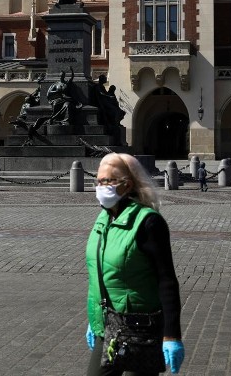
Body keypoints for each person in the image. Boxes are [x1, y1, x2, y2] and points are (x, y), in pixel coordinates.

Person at [85, 153, 185, 375]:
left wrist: (171, 335)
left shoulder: (148, 222)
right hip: (106, 324)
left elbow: (166, 281)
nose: (101, 187)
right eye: (98, 181)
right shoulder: (103, 219)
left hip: (139, 330)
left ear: (126, 184)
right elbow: (99, 273)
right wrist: (94, 319)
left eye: (108, 181)